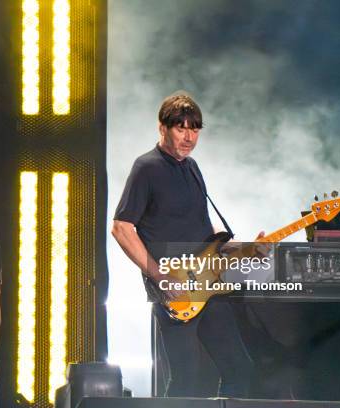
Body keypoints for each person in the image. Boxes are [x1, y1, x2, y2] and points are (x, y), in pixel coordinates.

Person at [111, 92, 260, 398]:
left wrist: (245, 248)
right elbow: (122, 228)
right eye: (181, 128)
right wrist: (159, 276)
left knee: (239, 368)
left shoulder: (192, 167)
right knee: (185, 378)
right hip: (173, 288)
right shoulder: (146, 167)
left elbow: (206, 234)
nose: (189, 136)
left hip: (208, 285)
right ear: (162, 128)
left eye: (195, 129)